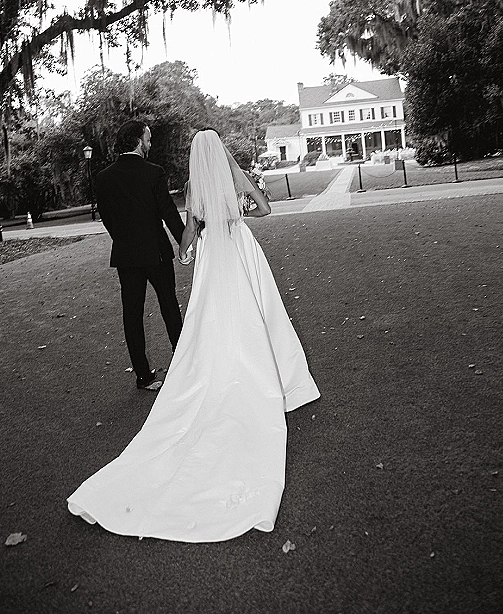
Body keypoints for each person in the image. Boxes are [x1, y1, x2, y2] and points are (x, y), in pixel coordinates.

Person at [68, 129, 320, 542]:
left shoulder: (188, 185)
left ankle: (176, 372)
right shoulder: (231, 177)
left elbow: (188, 227)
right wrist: (235, 216)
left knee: (201, 316)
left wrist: (186, 249)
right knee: (253, 313)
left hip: (185, 258)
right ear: (219, 152)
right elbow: (265, 210)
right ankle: (273, 378)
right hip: (238, 248)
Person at [94, 119, 185, 391]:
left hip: (126, 256)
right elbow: (168, 213)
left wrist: (124, 241)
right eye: (147, 138)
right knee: (169, 306)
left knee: (131, 315)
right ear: (137, 140)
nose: (150, 143)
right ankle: (184, 364)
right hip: (156, 253)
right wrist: (185, 243)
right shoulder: (153, 172)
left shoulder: (103, 177)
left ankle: (143, 376)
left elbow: (107, 219)